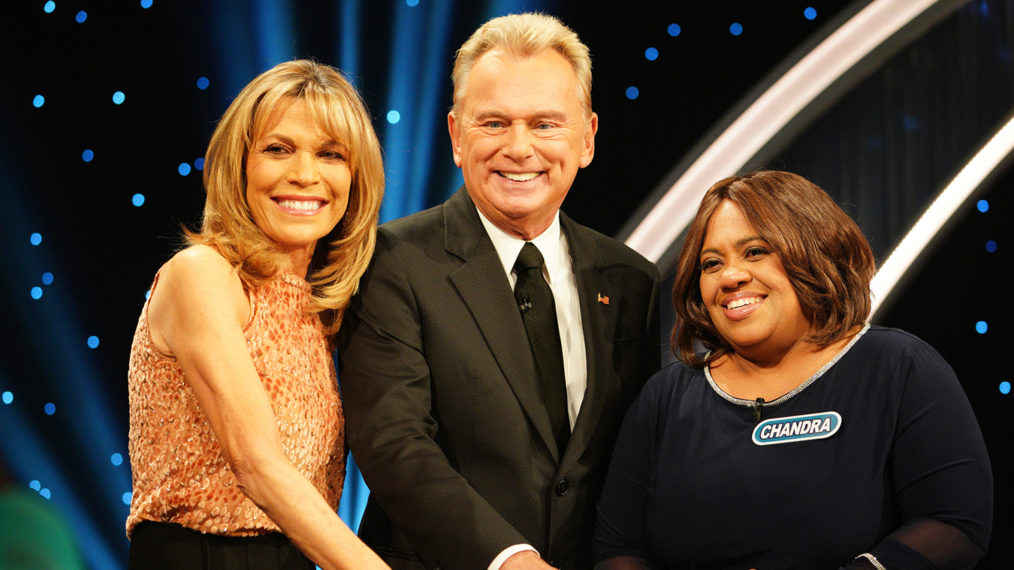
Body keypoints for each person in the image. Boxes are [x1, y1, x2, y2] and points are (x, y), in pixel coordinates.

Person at [338, 13, 660, 570]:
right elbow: (394, 445)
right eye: (493, 123)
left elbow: (637, 458)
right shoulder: (390, 262)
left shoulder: (631, 279)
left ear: (586, 139)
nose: (519, 147)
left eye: (545, 124)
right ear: (456, 136)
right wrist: (510, 560)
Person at [593, 170, 993, 569]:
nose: (730, 276)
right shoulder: (665, 398)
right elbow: (618, 547)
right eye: (712, 263)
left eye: (755, 251)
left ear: (815, 251)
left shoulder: (898, 366)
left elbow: (953, 522)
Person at [125, 59, 389, 570]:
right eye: (278, 149)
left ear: (356, 178)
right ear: (238, 163)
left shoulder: (321, 308)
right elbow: (258, 467)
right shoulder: (202, 274)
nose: (304, 175)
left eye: (330, 154)